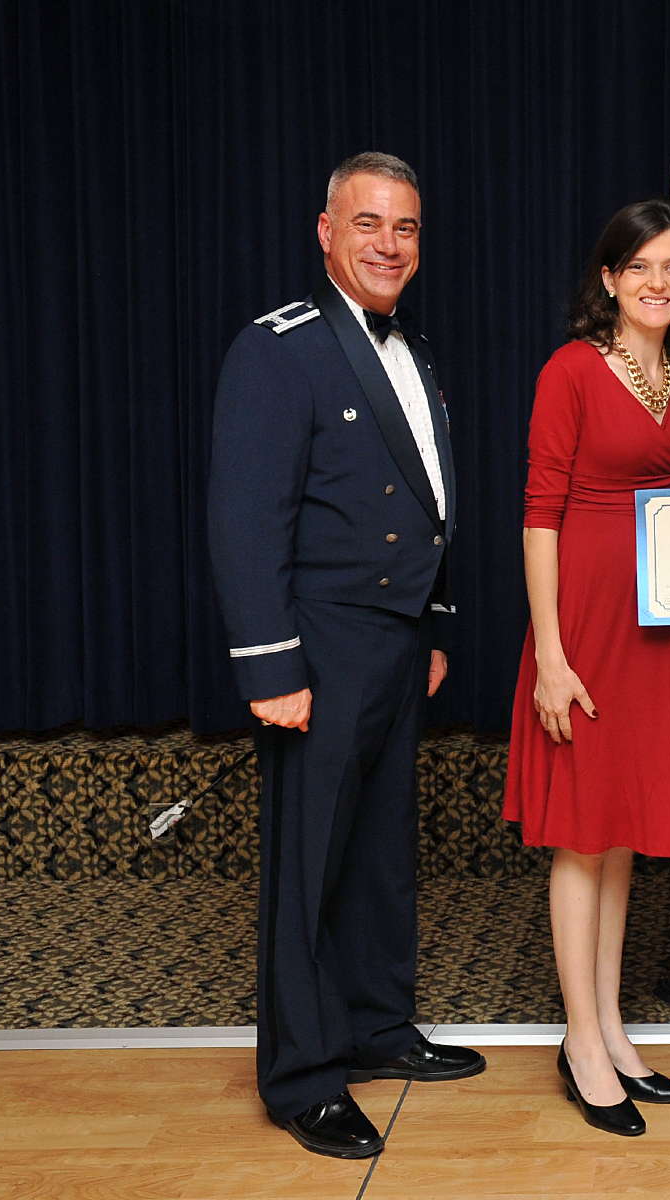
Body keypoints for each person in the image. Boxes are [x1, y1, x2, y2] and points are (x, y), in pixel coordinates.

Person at [207, 152, 484, 1159]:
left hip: (398, 643)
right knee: (310, 863)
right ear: (325, 232)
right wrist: (271, 667)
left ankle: (376, 1026)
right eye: (367, 224)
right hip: (316, 645)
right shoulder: (279, 349)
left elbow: (429, 503)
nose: (388, 244)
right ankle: (303, 1074)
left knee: (378, 854)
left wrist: (438, 621)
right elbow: (245, 519)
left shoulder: (410, 348)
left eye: (405, 228)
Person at [502, 198, 670, 1138]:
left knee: (619, 830)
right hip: (586, 627)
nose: (659, 283)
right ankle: (580, 1041)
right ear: (608, 278)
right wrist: (550, 655)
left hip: (659, 629)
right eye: (641, 267)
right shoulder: (572, 371)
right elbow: (538, 513)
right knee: (580, 836)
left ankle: (613, 1030)